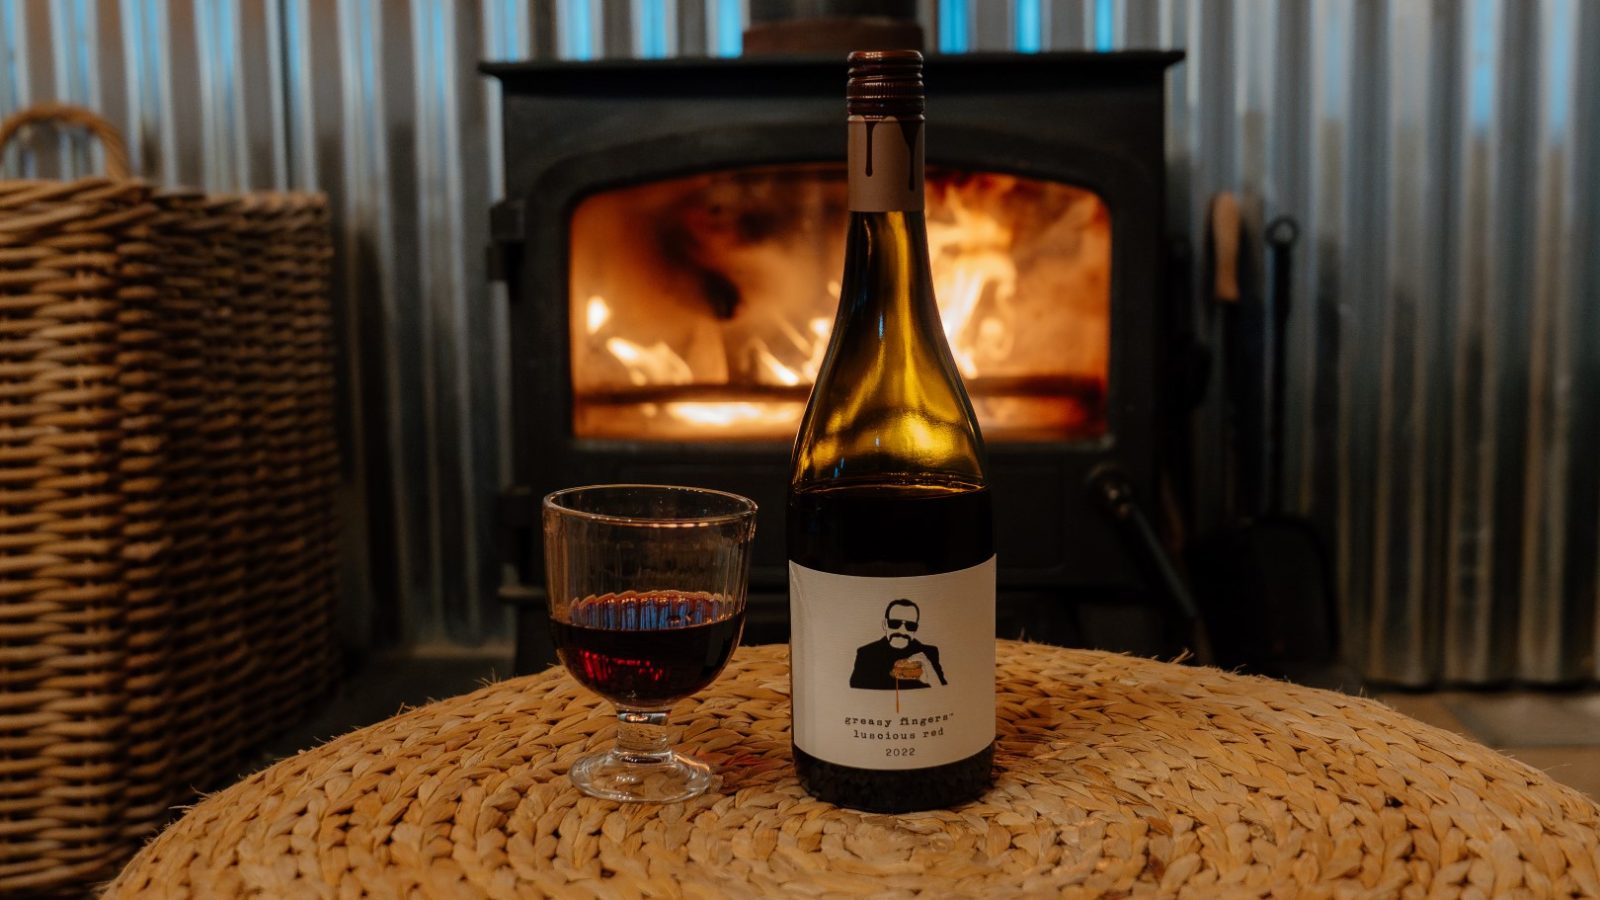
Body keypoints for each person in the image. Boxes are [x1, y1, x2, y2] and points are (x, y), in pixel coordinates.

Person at [848, 599, 947, 690]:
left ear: (916, 628)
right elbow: (855, 690)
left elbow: (946, 693)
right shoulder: (867, 654)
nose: (902, 631)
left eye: (910, 626)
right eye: (894, 624)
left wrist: (932, 679)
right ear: (885, 624)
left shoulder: (929, 653)